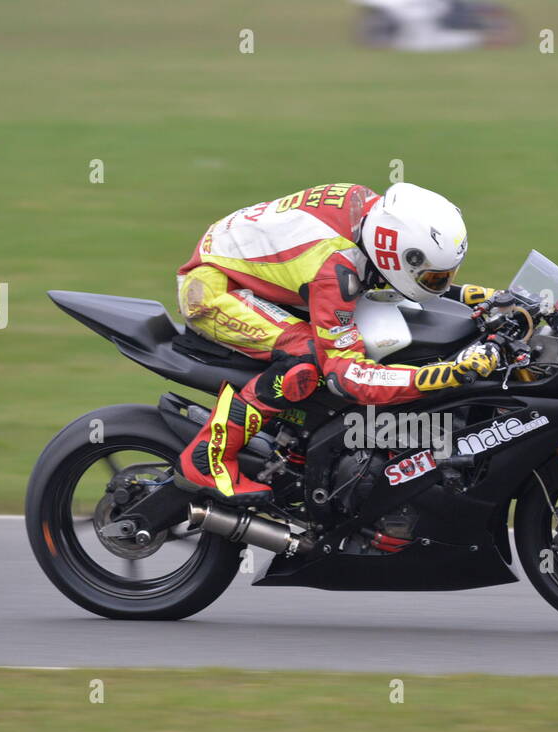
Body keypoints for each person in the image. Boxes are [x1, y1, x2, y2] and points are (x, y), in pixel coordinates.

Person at [176, 182, 499, 502]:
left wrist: (480, 297)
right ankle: (206, 460)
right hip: (213, 289)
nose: (440, 283)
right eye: (434, 278)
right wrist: (442, 374)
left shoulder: (376, 217)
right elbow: (348, 376)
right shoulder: (335, 272)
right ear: (396, 255)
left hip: (253, 268)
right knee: (306, 362)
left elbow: (387, 282)